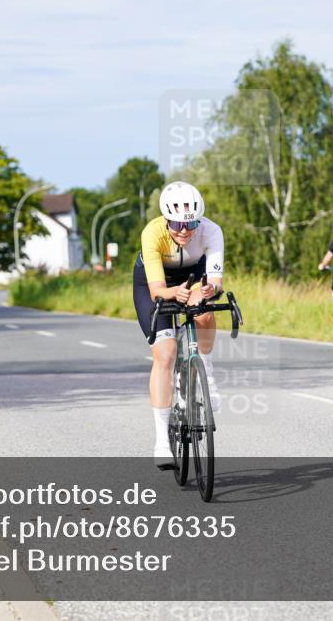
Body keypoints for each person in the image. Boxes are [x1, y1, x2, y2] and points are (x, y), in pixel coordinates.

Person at [132, 181, 224, 464]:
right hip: (156, 283)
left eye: (191, 223)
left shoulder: (212, 231)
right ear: (165, 219)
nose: (184, 231)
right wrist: (174, 293)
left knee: (204, 312)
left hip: (193, 276)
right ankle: (162, 441)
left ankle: (206, 374)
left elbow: (216, 280)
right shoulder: (152, 232)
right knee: (166, 353)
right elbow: (157, 290)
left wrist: (208, 290)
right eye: (176, 224)